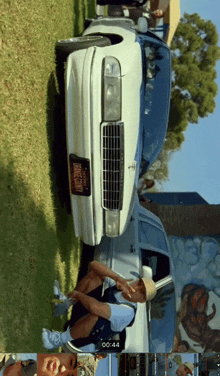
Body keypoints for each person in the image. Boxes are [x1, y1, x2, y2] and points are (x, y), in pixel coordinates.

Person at [42, 260, 157, 350]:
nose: (136, 288)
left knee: (98, 314)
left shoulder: (128, 312)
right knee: (96, 276)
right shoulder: (124, 284)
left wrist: (78, 295)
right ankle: (64, 305)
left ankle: (58, 340)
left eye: (141, 292)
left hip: (85, 338)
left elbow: (95, 307)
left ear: (142, 301)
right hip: (82, 317)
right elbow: (93, 265)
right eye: (139, 283)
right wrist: (117, 278)